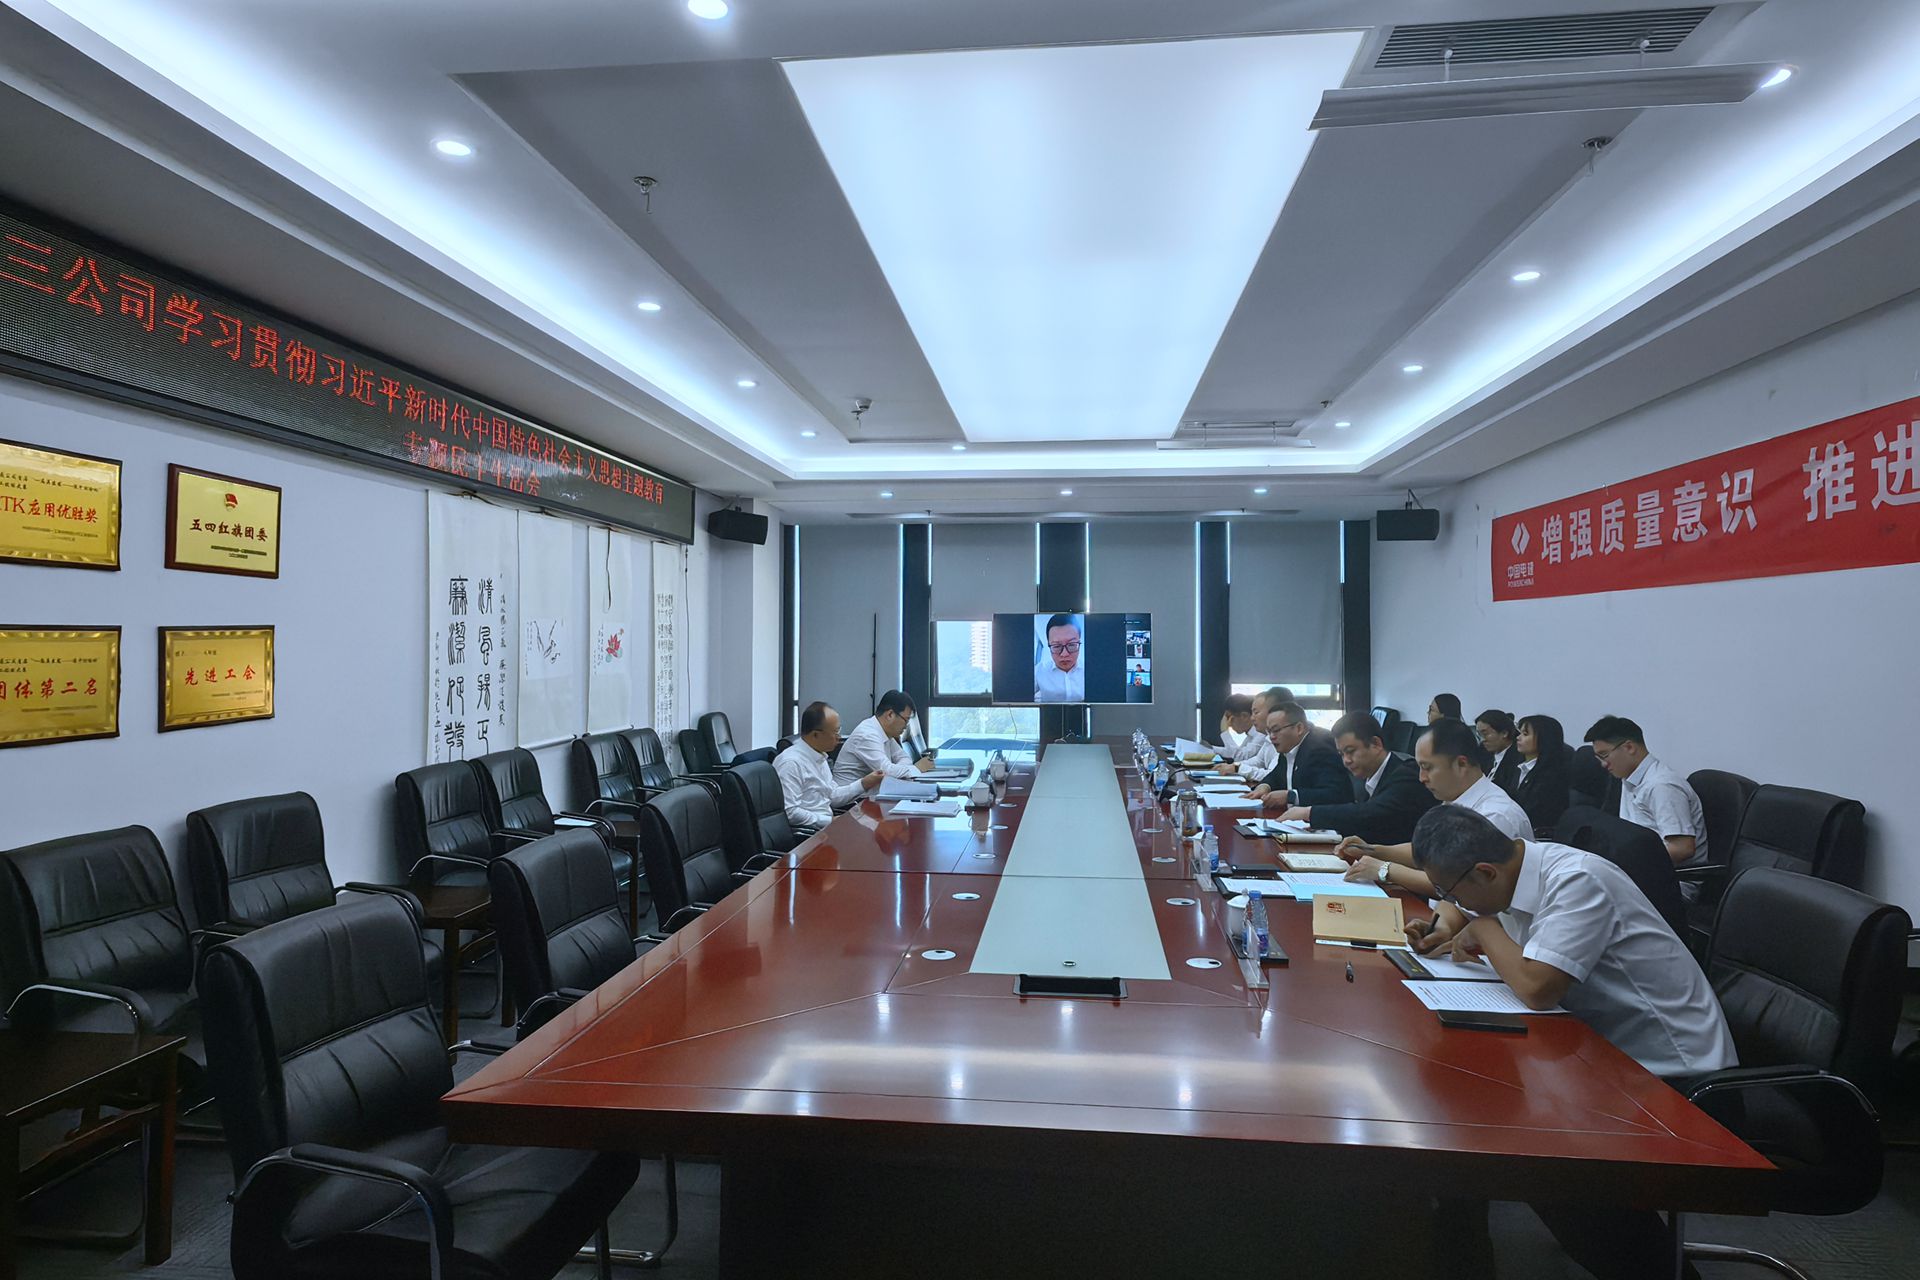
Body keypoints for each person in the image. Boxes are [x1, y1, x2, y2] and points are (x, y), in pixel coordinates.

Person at [1408, 805, 1735, 1280]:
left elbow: (1537, 988)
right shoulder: (1516, 870)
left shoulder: (1577, 881)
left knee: (1543, 1164)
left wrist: (1483, 927)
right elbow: (1486, 922)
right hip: (1601, 1050)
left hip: (1675, 1072)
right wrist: (1448, 924)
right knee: (1472, 1115)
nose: (1449, 902)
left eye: (1450, 892)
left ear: (1485, 871)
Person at [1337, 718, 1532, 894]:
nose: (1421, 778)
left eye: (1427, 767)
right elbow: (1429, 852)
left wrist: (1384, 869)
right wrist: (1371, 849)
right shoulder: (1453, 800)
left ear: (1461, 764)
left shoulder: (1494, 816)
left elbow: (1459, 885)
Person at [1264, 711, 1436, 844]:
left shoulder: (1406, 774)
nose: (1346, 760)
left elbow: (1371, 814)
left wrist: (1309, 812)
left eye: (1351, 751)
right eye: (1341, 753)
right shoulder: (1369, 778)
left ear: (1376, 744)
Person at [1583, 715, 1706, 871]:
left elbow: (1682, 848)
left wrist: (1623, 862)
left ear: (1629, 747)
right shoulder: (1628, 777)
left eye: (1604, 755)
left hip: (1671, 878)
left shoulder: (1661, 786)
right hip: (1639, 869)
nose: (1603, 764)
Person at [774, 701, 883, 834]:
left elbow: (832, 796)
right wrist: (829, 821)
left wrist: (864, 783)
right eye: (835, 732)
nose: (839, 737)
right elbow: (791, 812)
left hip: (826, 828)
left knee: (875, 828)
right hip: (808, 835)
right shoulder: (791, 763)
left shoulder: (819, 756)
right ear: (815, 734)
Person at [1246, 701, 1348, 808]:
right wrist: (1265, 786)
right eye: (1269, 731)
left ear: (1299, 728)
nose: (1271, 737)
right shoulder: (1289, 746)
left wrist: (1291, 796)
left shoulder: (1320, 749)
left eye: (1276, 730)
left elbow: (1335, 794)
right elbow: (1277, 774)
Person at [833, 689, 933, 785]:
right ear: (890, 715)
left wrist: (901, 770)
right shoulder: (868, 735)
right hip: (853, 796)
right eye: (905, 720)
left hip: (870, 792)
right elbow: (885, 772)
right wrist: (916, 769)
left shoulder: (885, 733)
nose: (906, 726)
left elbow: (904, 758)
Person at [1512, 713, 1572, 834]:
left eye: (1525, 734)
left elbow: (1534, 812)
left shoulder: (1552, 776)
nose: (1518, 737)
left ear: (1544, 738)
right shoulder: (1518, 767)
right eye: (1520, 733)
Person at [1032, 613, 1084, 702]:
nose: (1064, 654)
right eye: (1056, 646)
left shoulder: (1090, 671)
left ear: (1079, 642)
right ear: (1048, 645)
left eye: (1071, 645)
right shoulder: (1039, 671)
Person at [1474, 708, 1521, 795]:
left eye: (1485, 734)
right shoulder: (1483, 754)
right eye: (1479, 735)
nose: (1482, 739)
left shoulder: (1519, 759)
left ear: (1504, 733)